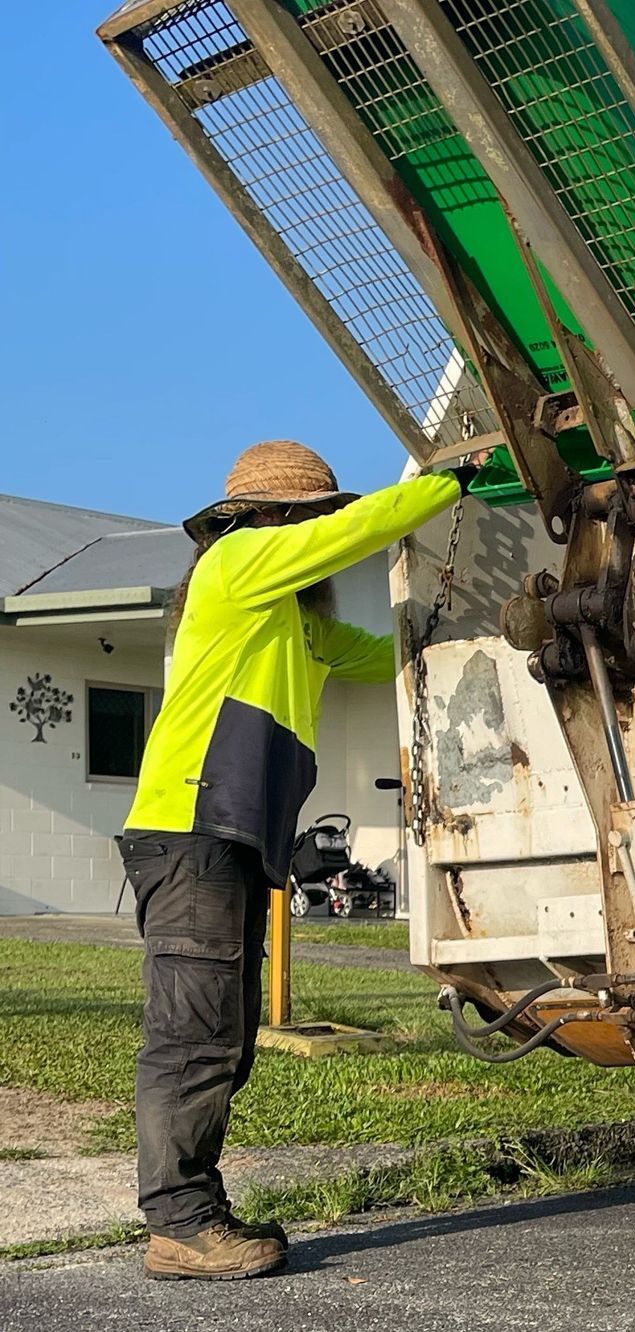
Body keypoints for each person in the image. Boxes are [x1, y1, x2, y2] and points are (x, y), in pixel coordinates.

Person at [119, 441, 468, 1280]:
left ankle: (195, 1211)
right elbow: (359, 531)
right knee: (194, 1038)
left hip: (230, 840)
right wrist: (445, 484)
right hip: (192, 831)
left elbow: (385, 656)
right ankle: (178, 1223)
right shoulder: (237, 563)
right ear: (277, 521)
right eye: (310, 520)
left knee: (225, 1039)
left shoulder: (297, 627)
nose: (317, 538)